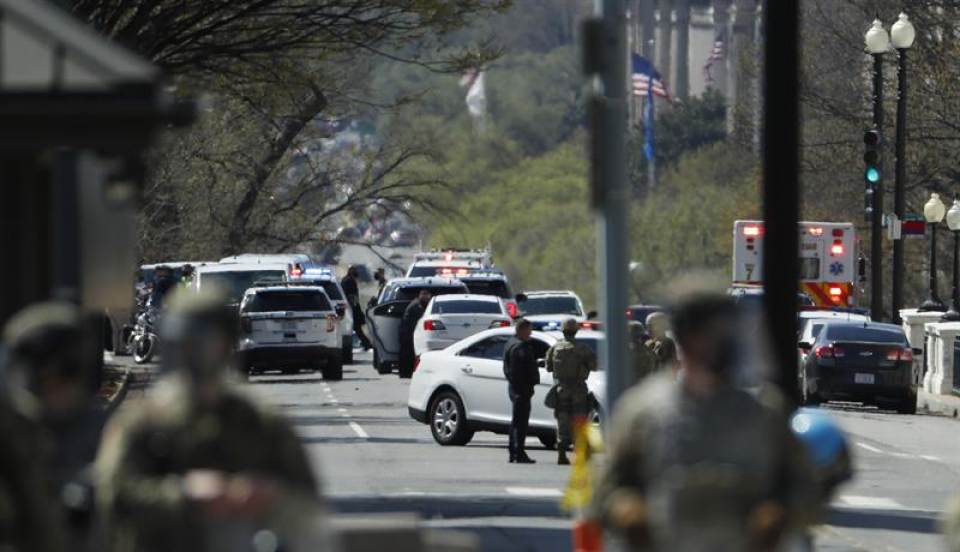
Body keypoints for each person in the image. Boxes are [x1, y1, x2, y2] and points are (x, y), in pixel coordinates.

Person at [95, 287, 324, 552]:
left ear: (225, 345)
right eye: (182, 343)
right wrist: (183, 495)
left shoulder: (261, 423)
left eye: (201, 343)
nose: (191, 355)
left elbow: (307, 501)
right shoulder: (145, 424)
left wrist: (267, 495)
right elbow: (112, 497)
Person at [591, 292, 817, 551]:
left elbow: (803, 490)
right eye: (702, 333)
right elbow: (604, 493)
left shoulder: (763, 413)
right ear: (684, 338)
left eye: (720, 333)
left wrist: (778, 515)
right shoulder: (643, 412)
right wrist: (627, 510)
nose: (711, 345)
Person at [3, 302, 107, 551]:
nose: (55, 387)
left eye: (66, 372)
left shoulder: (108, 433)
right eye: (43, 376)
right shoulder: (10, 436)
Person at [545, 318, 596, 465]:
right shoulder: (583, 348)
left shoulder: (555, 348)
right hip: (579, 389)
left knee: (562, 420)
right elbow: (594, 365)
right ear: (576, 331)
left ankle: (561, 453)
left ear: (563, 330)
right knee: (580, 420)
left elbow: (548, 367)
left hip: (561, 389)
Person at [503, 318, 539, 464]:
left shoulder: (511, 343)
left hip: (516, 388)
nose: (530, 333)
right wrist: (527, 385)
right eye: (529, 330)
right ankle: (519, 452)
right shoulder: (519, 347)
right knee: (520, 422)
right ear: (522, 330)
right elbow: (518, 372)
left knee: (516, 421)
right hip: (520, 389)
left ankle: (514, 451)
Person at [398, 290, 431, 378]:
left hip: (410, 331)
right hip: (407, 332)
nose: (427, 298)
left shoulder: (418, 304)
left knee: (408, 353)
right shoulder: (416, 305)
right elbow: (422, 317)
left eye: (428, 295)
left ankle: (406, 372)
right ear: (421, 295)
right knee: (407, 354)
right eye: (425, 295)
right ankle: (405, 373)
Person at [341, 265, 373, 351]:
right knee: (356, 327)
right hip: (350, 308)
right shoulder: (349, 281)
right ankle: (366, 343)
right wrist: (355, 308)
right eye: (354, 270)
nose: (356, 272)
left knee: (356, 328)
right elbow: (352, 297)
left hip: (350, 307)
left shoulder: (347, 280)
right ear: (350, 271)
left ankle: (366, 343)